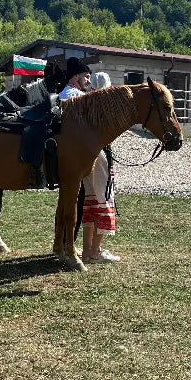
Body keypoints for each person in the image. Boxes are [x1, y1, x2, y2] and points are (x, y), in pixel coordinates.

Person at [80, 71, 120, 263]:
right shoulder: (107, 106)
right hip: (101, 153)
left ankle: (87, 249)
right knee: (104, 199)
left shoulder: (84, 102)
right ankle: (95, 250)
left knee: (90, 199)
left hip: (86, 155)